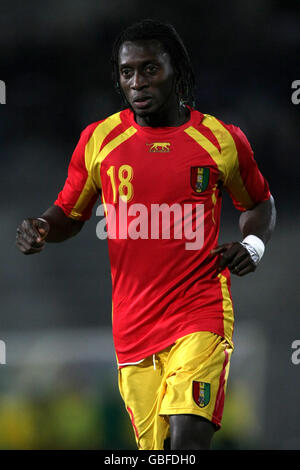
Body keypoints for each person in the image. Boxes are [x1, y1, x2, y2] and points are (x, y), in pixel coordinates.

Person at [16, 19, 276, 450]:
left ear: (177, 71)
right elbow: (68, 212)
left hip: (200, 312)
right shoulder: (99, 140)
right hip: (133, 328)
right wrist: (42, 227)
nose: (137, 82)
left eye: (150, 69)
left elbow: (260, 203)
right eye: (127, 72)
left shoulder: (220, 140)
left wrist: (253, 243)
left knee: (187, 439)